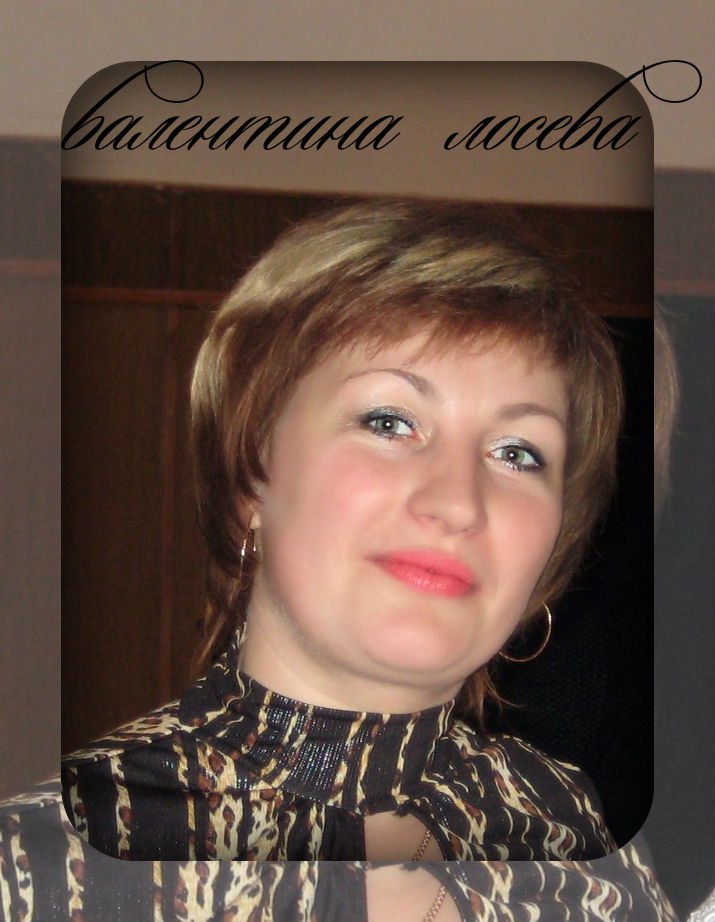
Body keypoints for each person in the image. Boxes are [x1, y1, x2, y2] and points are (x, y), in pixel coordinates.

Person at [1, 200, 675, 920]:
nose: (458, 502)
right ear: (251, 472)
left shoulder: (569, 835)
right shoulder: (49, 867)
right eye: (389, 421)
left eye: (517, 453)